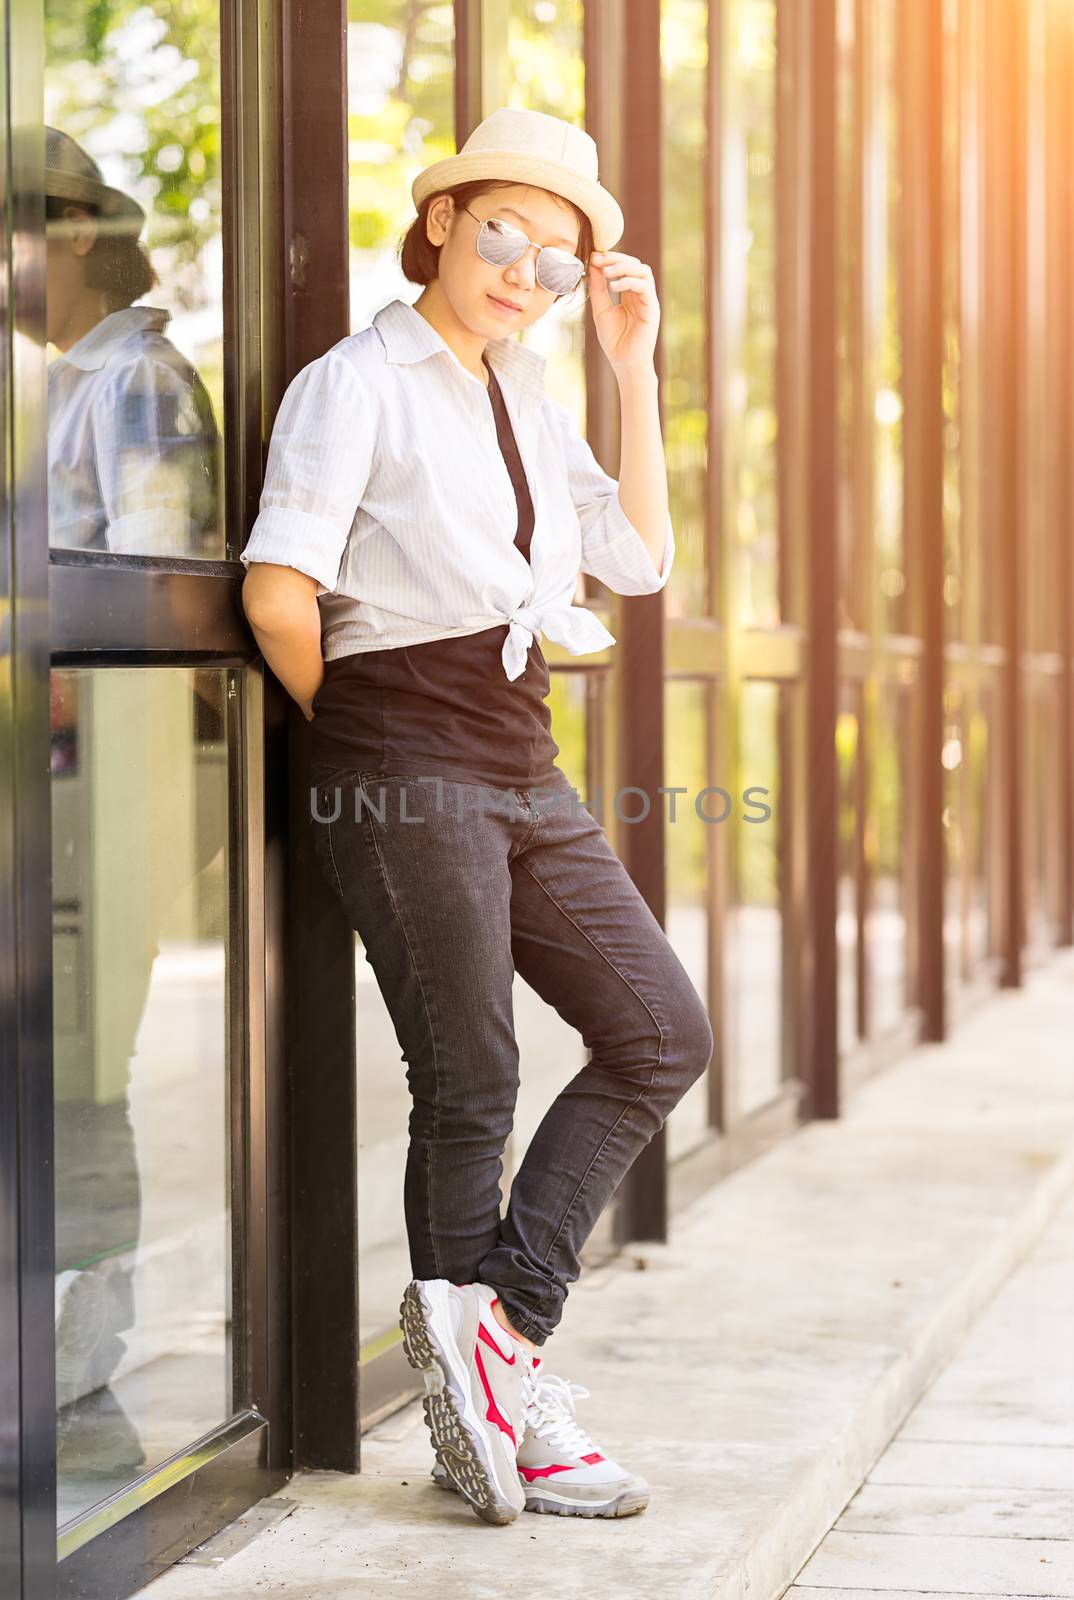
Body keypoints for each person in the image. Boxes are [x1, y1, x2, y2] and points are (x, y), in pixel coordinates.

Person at [240, 106, 714, 1526]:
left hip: (518, 751)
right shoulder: (356, 382)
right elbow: (280, 588)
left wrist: (629, 372)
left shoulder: (523, 393)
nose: (525, 271)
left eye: (557, 261)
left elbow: (632, 557)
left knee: (656, 1030)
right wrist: (368, 749)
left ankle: (495, 1341)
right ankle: (499, 1416)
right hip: (402, 737)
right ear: (442, 221)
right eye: (503, 233)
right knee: (472, 1084)